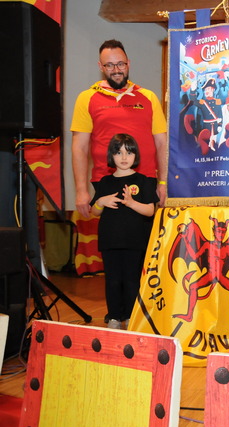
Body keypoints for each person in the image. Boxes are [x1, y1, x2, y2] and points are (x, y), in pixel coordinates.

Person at [72, 39, 168, 218]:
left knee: (144, 234)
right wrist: (81, 190)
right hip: (106, 180)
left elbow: (162, 143)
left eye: (120, 64)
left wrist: (163, 183)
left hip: (146, 179)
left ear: (128, 63)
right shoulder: (86, 98)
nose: (116, 70)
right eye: (109, 65)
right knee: (113, 232)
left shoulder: (149, 97)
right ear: (100, 67)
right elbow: (80, 147)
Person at [90, 134, 158, 329]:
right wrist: (101, 202)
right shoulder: (105, 182)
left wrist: (131, 202)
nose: (124, 157)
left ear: (135, 156)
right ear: (111, 156)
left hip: (134, 241)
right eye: (118, 153)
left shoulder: (143, 181)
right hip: (110, 241)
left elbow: (150, 210)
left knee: (131, 280)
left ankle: (130, 316)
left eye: (129, 152)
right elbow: (94, 212)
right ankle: (113, 316)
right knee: (112, 281)